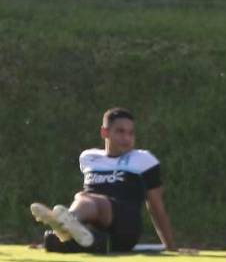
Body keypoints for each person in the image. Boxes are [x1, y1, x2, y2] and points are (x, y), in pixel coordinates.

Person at [30, 107, 179, 253]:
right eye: (120, 132)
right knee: (52, 242)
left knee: (84, 197)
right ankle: (64, 230)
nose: (127, 138)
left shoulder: (144, 159)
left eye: (131, 133)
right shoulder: (88, 157)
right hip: (95, 230)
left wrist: (171, 246)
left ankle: (67, 221)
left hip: (125, 228)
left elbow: (156, 206)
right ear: (105, 132)